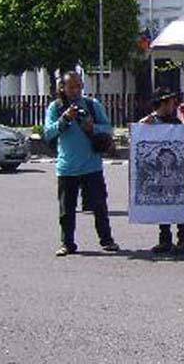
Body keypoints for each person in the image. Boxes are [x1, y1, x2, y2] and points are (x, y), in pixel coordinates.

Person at [43, 71, 119, 256]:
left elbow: (108, 128)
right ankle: (67, 243)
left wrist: (93, 127)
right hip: (67, 167)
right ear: (63, 87)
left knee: (99, 206)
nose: (76, 90)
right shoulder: (56, 107)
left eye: (79, 86)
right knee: (66, 210)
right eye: (71, 86)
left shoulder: (92, 105)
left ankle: (107, 240)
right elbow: (48, 133)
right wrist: (65, 119)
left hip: (91, 165)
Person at [139, 87, 184, 255]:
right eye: (170, 102)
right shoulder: (149, 122)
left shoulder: (176, 122)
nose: (173, 105)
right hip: (159, 171)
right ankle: (165, 240)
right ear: (162, 103)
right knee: (163, 205)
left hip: (175, 171)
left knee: (179, 205)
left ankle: (183, 239)